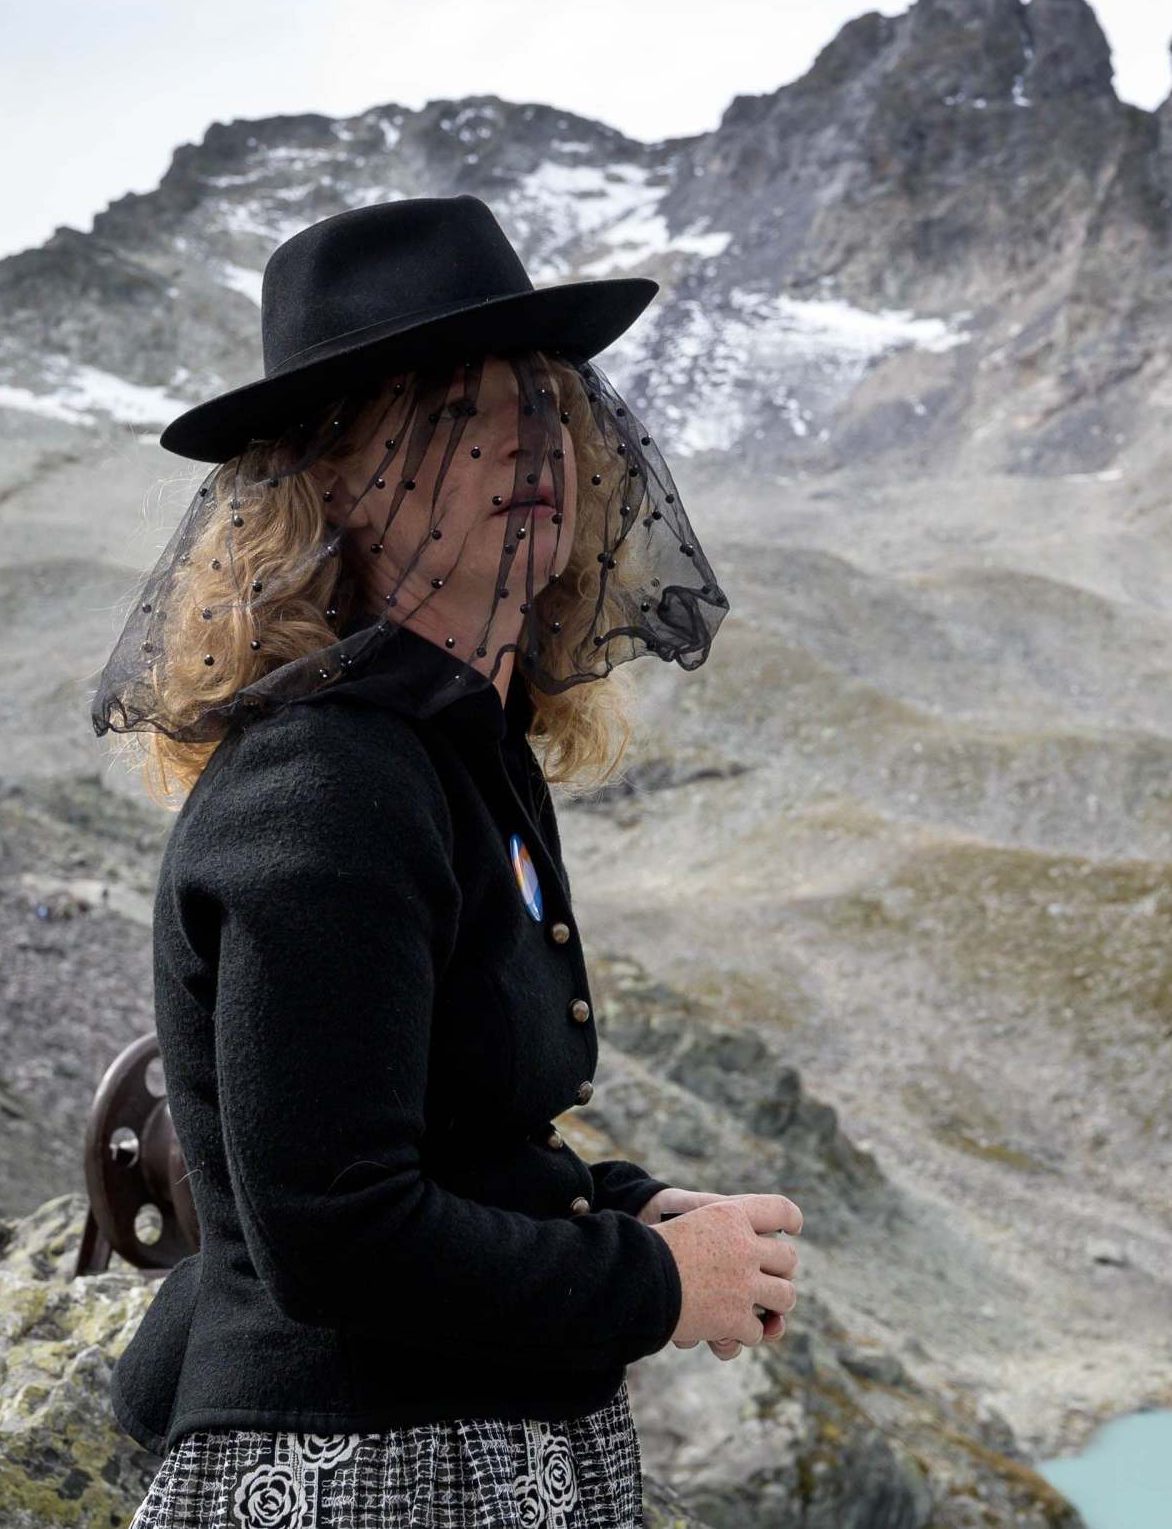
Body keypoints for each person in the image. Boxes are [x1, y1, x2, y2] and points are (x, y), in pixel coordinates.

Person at [92, 195, 801, 1527]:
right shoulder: (327, 784)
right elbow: (335, 1232)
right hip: (356, 1473)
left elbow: (451, 1131)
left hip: (454, 1446)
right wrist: (655, 1287)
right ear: (329, 480)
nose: (525, 439)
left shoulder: (451, 746)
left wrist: (630, 1208)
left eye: (544, 402)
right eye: (447, 411)